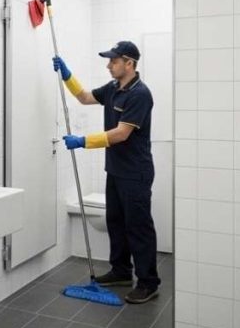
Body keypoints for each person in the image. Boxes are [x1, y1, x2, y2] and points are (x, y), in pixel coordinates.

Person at [53, 41, 160, 304]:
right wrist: (67, 75)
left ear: (129, 63)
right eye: (109, 60)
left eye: (113, 61)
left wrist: (83, 141)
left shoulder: (140, 94)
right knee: (116, 222)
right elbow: (85, 97)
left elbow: (122, 134)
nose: (108, 65)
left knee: (138, 228)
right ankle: (122, 271)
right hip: (115, 170)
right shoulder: (113, 88)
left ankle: (148, 283)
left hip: (136, 172)